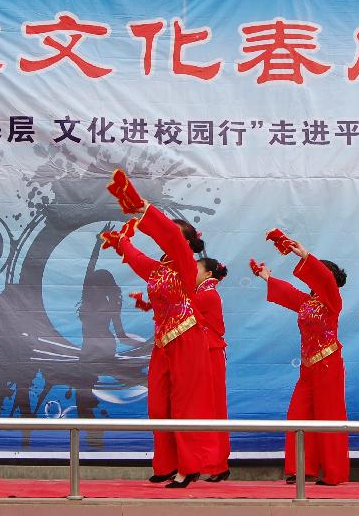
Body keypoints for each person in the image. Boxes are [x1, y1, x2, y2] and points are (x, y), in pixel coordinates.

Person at [103, 180, 216, 489]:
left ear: (184, 242)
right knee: (158, 405)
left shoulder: (184, 263)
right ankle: (166, 464)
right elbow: (140, 262)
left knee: (184, 404)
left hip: (187, 338)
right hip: (163, 341)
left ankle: (188, 467)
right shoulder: (162, 268)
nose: (165, 238)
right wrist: (122, 243)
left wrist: (144, 209)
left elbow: (171, 237)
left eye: (172, 235)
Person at [254, 238, 349, 486]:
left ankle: (334, 472)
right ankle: (303, 469)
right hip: (308, 367)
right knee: (298, 414)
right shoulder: (307, 302)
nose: (312, 279)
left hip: (328, 364)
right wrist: (267, 277)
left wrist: (305, 255)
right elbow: (288, 293)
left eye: (317, 275)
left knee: (329, 417)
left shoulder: (333, 300)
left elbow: (324, 279)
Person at [194, 257, 230, 482]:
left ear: (208, 274)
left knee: (212, 407)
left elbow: (180, 305)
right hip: (202, 352)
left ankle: (216, 464)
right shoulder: (202, 293)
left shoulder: (206, 294)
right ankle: (204, 462)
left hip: (210, 353)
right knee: (200, 407)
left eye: (195, 269)